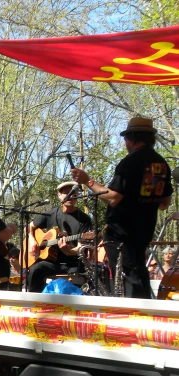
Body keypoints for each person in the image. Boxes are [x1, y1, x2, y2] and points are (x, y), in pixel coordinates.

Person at [71, 116, 173, 298]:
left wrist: (88, 181)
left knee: (126, 277)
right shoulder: (161, 163)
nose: (125, 143)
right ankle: (145, 310)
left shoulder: (130, 162)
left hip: (122, 232)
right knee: (138, 271)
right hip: (144, 229)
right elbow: (165, 204)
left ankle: (135, 315)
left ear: (132, 138)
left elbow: (113, 198)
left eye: (126, 138)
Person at [26, 182, 92, 292]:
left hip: (73, 264)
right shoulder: (50, 214)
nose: (70, 196)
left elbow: (81, 248)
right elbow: (29, 227)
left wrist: (69, 251)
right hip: (52, 263)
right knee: (35, 269)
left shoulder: (84, 219)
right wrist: (32, 240)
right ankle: (34, 303)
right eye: (66, 193)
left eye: (73, 193)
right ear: (59, 195)